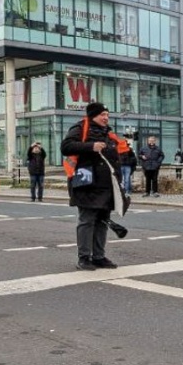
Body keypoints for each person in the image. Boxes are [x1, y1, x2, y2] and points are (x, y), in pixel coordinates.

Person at [60, 102, 123, 270]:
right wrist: (91, 146)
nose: (106, 118)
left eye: (107, 115)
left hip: (106, 185)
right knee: (87, 220)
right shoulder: (80, 128)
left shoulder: (108, 133)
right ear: (93, 115)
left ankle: (99, 256)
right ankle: (84, 257)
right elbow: (65, 147)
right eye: (103, 114)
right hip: (87, 184)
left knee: (102, 221)